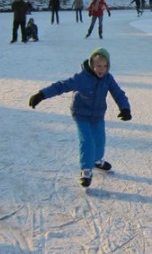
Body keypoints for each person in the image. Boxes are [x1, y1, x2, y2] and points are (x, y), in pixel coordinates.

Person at [28, 48, 132, 187]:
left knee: (100, 140)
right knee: (87, 140)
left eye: (105, 66)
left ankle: (96, 160)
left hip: (98, 115)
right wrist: (41, 94)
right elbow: (61, 86)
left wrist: (125, 108)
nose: (102, 69)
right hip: (81, 115)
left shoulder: (108, 78)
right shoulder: (82, 78)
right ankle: (86, 169)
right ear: (91, 65)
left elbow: (118, 93)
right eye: (98, 66)